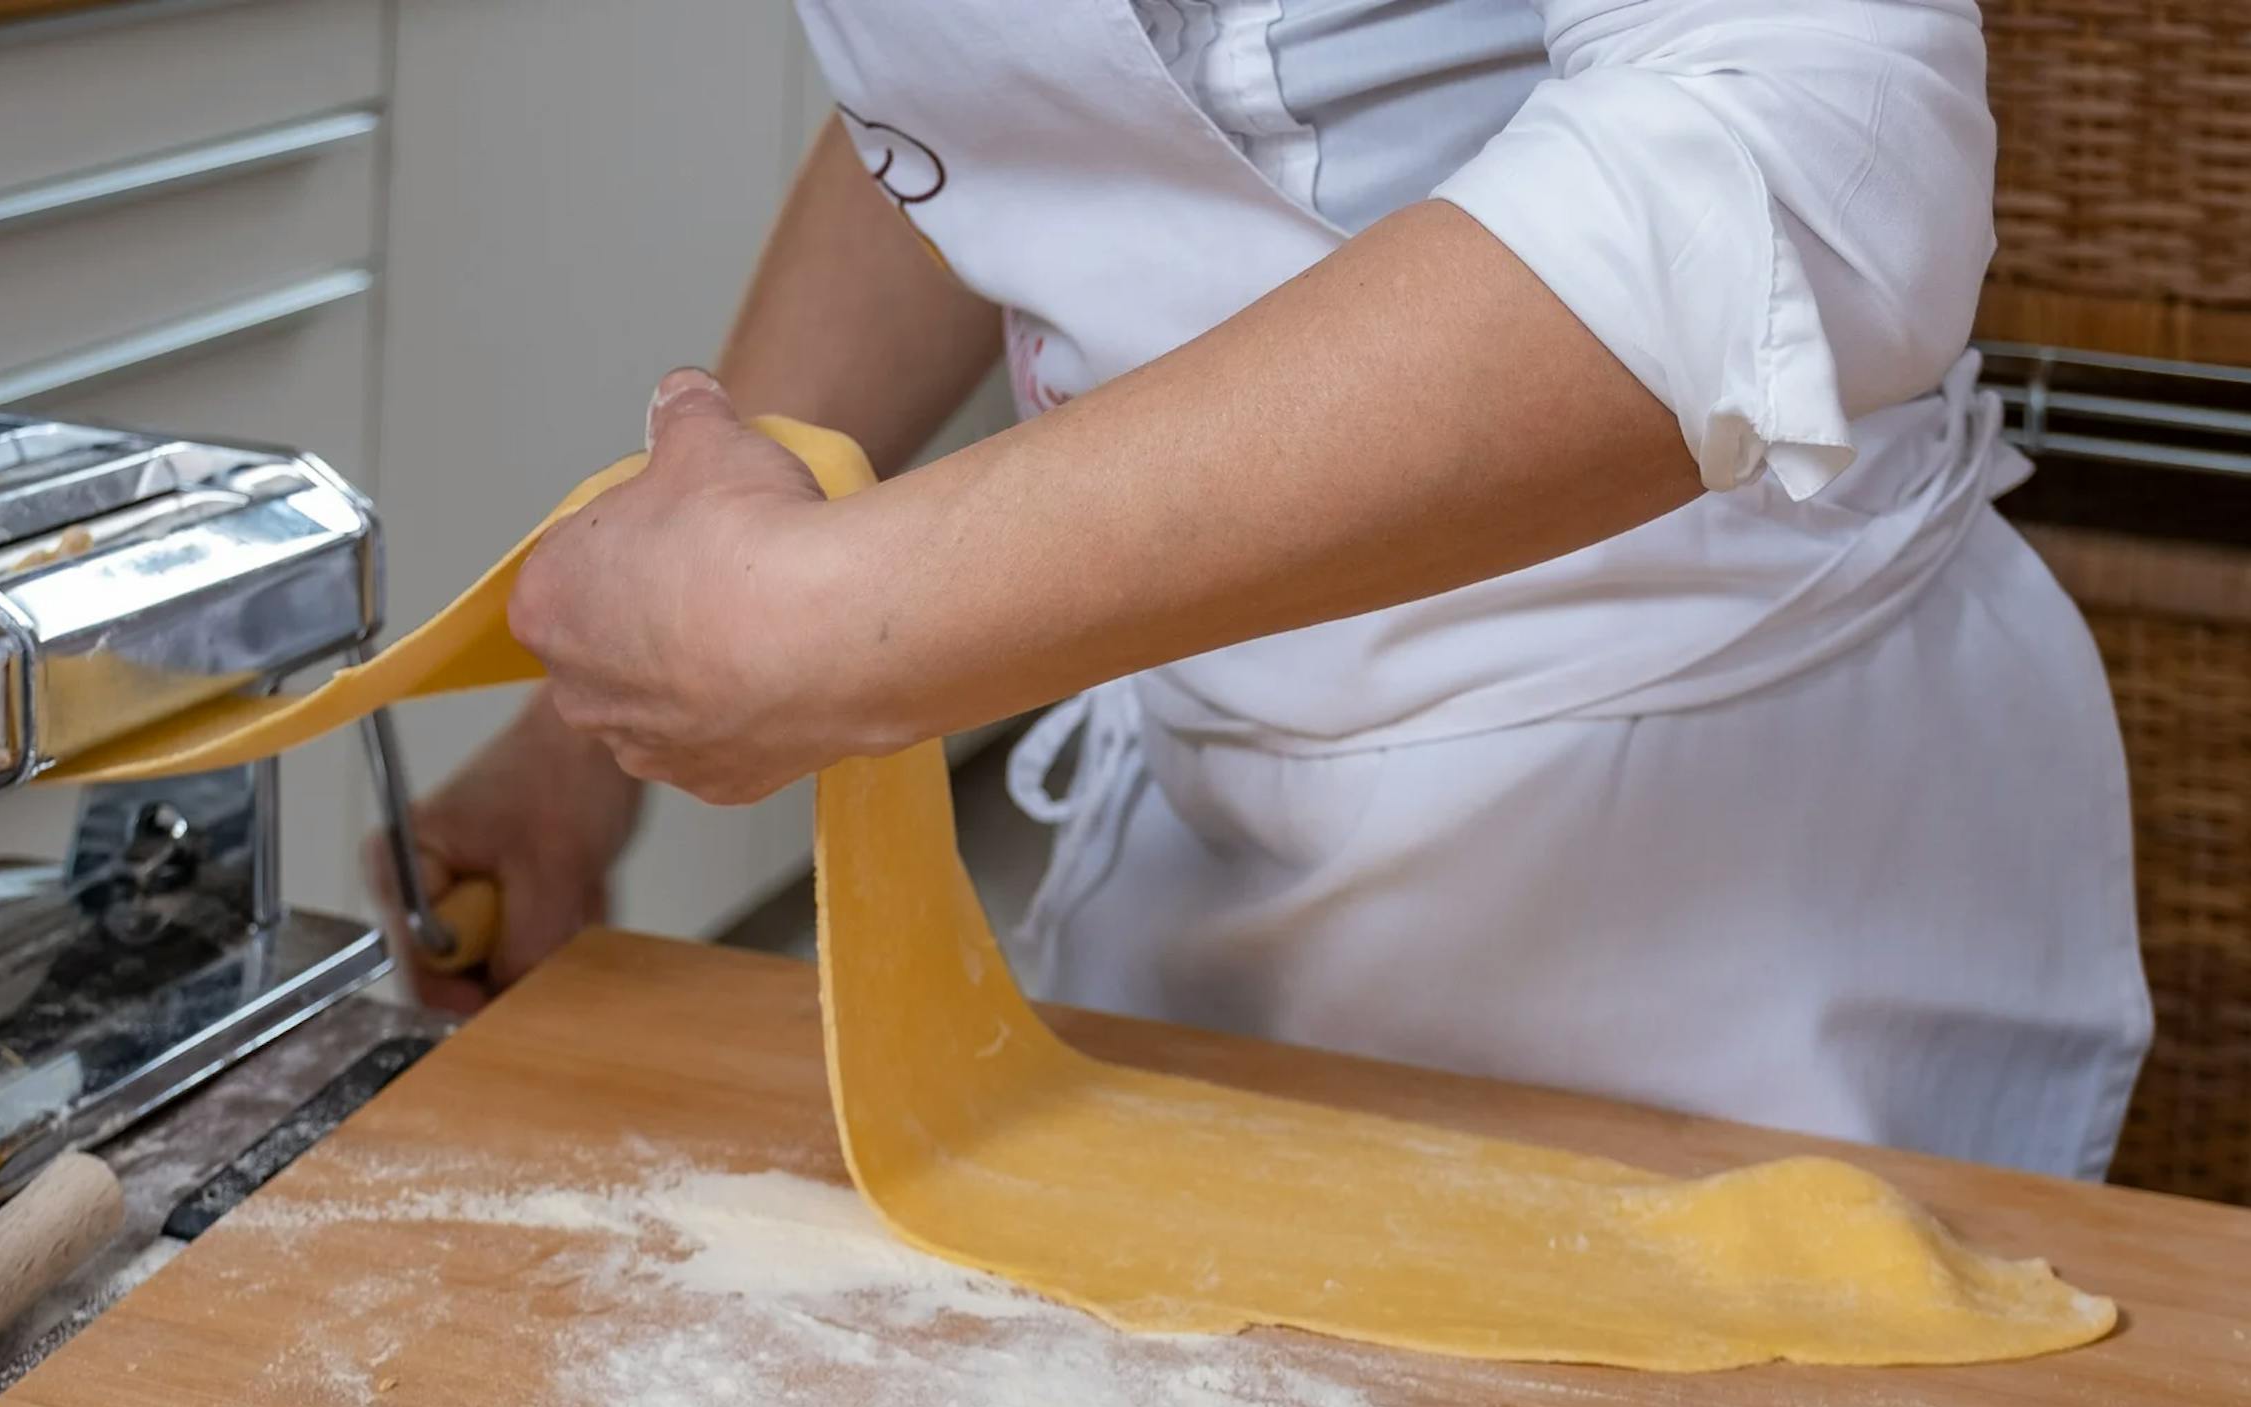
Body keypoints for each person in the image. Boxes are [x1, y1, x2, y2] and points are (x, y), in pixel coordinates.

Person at [404, 0, 2148, 1180]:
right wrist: (578, 745)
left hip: (1726, 861)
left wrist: (835, 622)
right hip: (1196, 856)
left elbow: (1806, 154)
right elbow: (1008, 106)